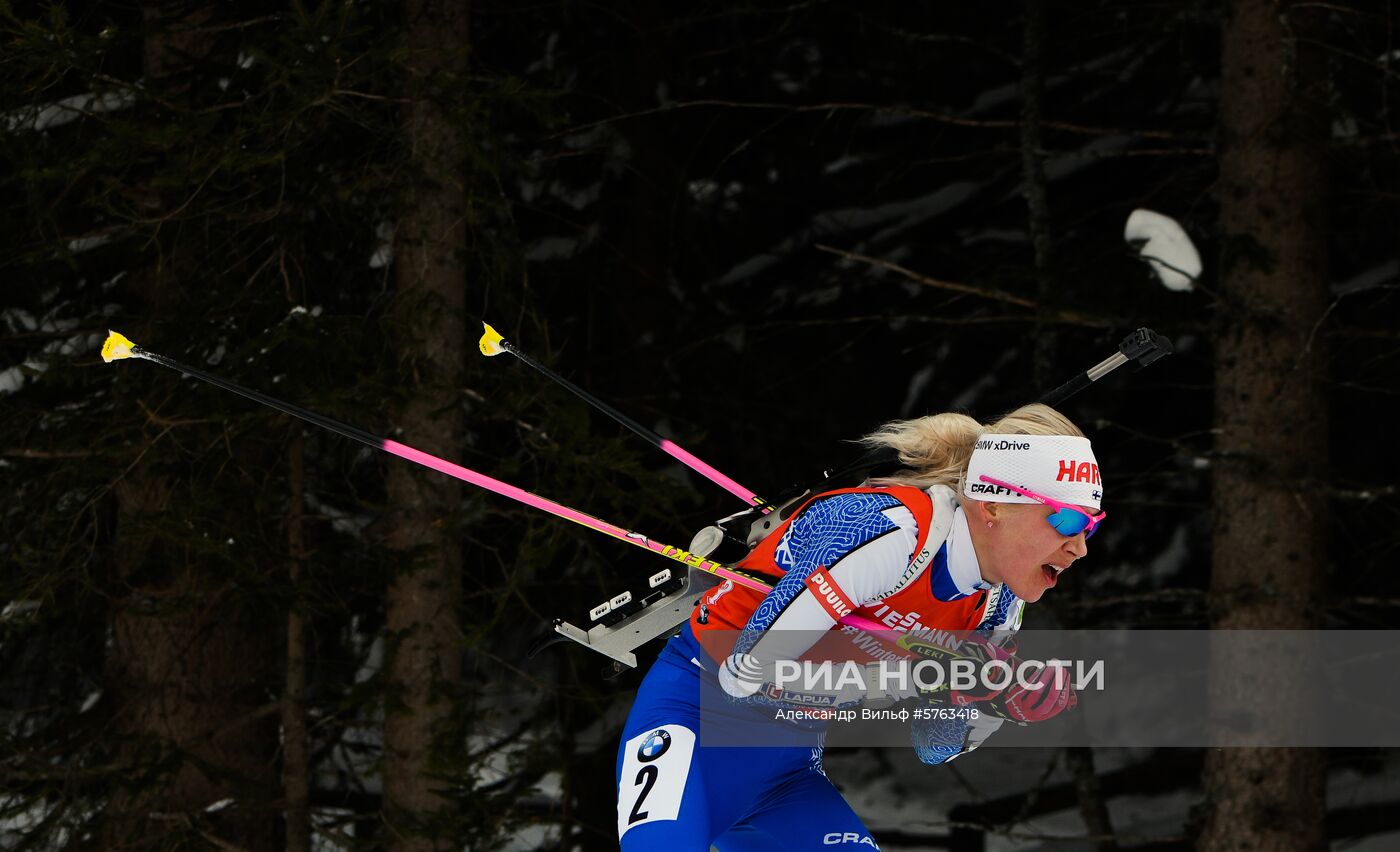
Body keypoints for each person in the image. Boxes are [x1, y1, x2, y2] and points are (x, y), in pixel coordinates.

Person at [615, 403, 1100, 849]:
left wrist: (994, 703)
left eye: (1091, 526)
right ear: (993, 505)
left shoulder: (997, 607)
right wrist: (922, 676)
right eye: (1066, 520)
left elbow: (934, 746)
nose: (1079, 546)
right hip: (695, 723)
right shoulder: (892, 531)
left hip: (786, 774)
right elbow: (749, 675)